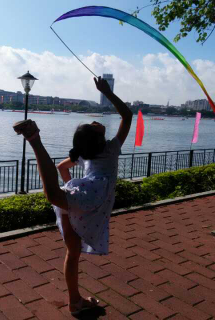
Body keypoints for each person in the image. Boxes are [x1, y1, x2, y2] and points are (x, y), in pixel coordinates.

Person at [13, 76, 132, 315]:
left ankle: (75, 301)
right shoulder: (111, 149)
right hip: (93, 195)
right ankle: (35, 140)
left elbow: (61, 168)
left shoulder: (84, 154)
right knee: (55, 197)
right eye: (95, 126)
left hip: (83, 196)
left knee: (73, 250)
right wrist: (107, 92)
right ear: (100, 140)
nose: (97, 122)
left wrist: (73, 196)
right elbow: (127, 116)